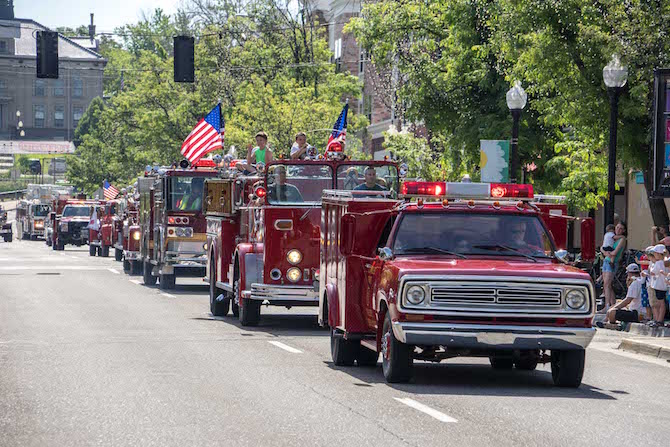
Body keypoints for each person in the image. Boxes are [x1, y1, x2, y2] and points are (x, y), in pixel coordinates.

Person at [602, 222, 627, 312]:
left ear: (623, 230)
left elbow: (615, 253)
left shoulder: (622, 239)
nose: (618, 230)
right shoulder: (612, 237)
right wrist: (606, 253)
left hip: (612, 263)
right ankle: (612, 304)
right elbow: (603, 247)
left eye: (621, 228)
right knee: (606, 285)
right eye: (617, 227)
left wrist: (608, 253)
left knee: (607, 284)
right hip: (606, 261)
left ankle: (607, 305)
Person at [643, 244, 667, 327]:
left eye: (656, 253)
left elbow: (653, 272)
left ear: (660, 254)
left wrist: (649, 270)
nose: (654, 255)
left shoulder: (659, 263)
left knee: (661, 303)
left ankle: (660, 320)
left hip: (660, 286)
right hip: (659, 285)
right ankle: (658, 320)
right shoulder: (661, 262)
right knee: (660, 303)